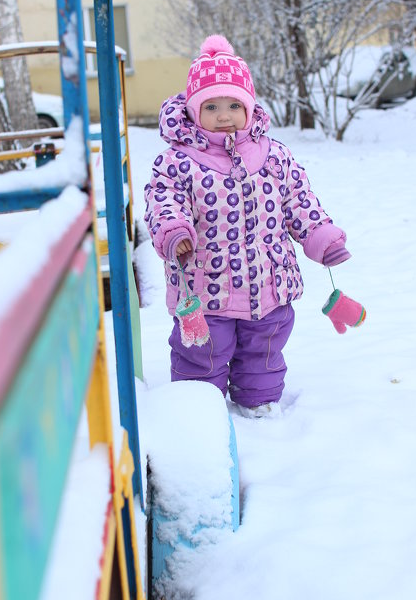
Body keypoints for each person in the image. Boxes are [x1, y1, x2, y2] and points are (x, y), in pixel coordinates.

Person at [144, 34, 359, 418]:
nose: (224, 115)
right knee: (201, 356)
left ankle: (258, 408)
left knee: (264, 353)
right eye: (211, 106)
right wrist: (173, 229)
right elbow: (163, 200)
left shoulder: (274, 156)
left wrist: (321, 237)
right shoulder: (178, 161)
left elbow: (300, 203)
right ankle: (200, 414)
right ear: (193, 112)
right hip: (205, 289)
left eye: (233, 105)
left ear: (249, 107)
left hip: (269, 286)